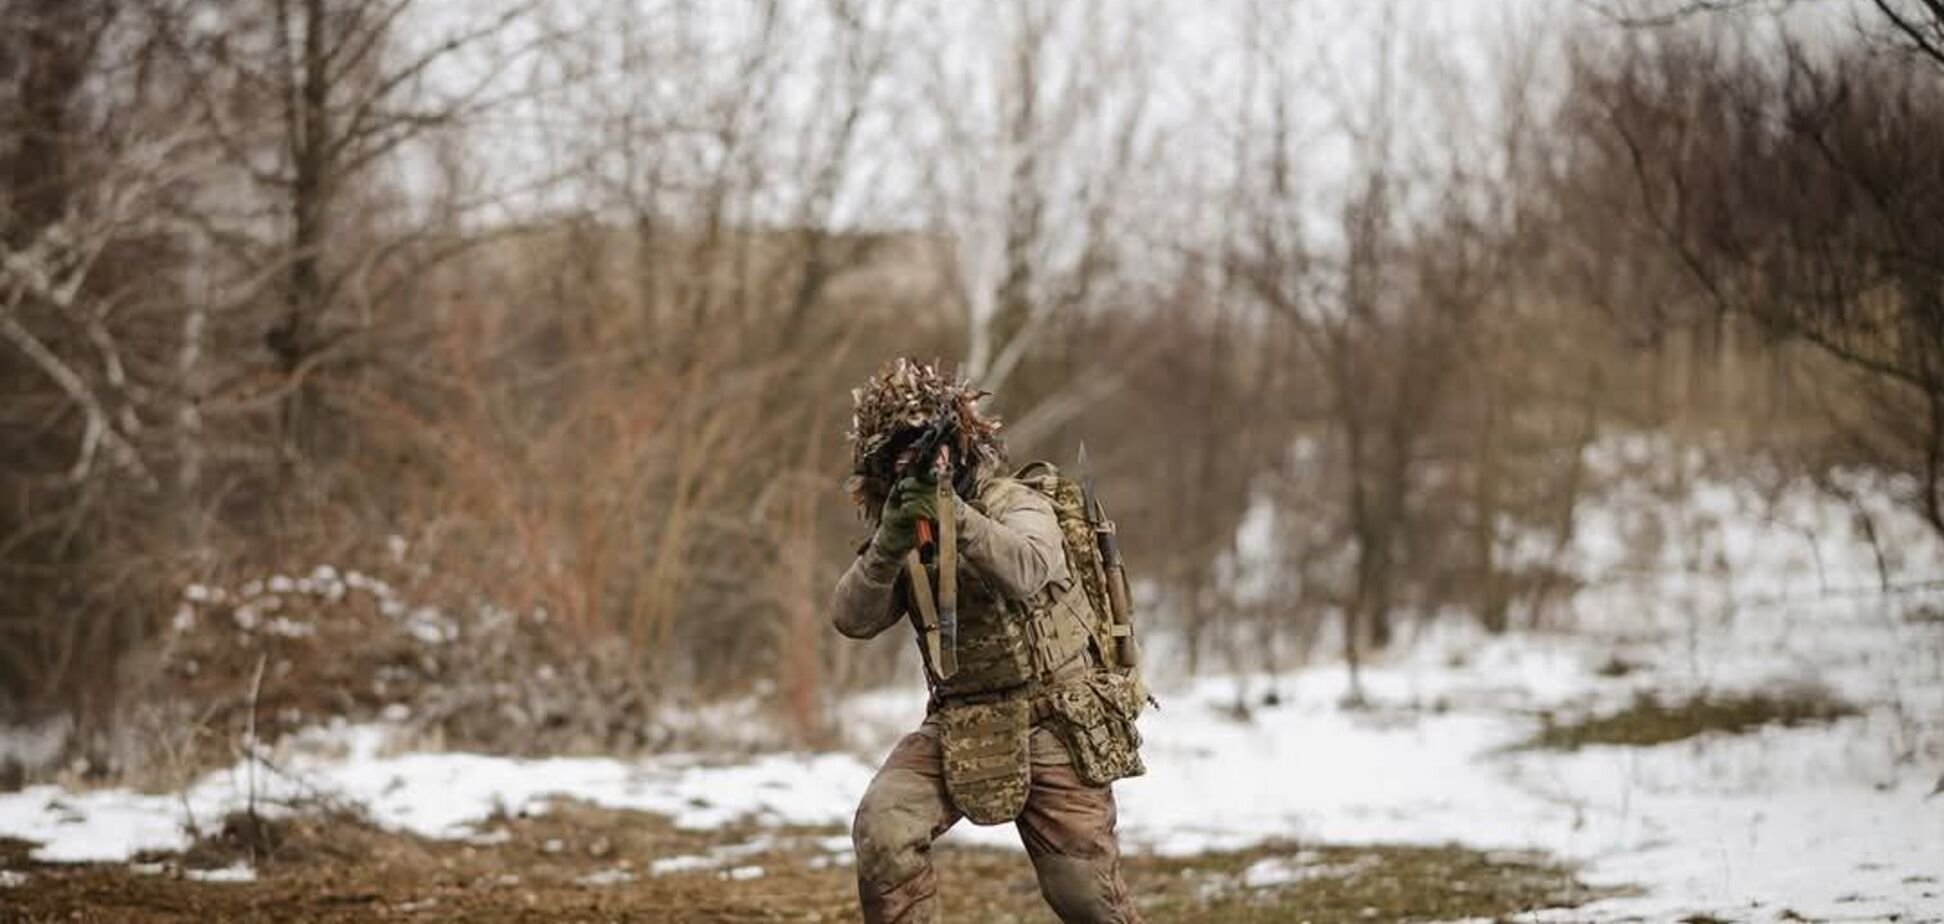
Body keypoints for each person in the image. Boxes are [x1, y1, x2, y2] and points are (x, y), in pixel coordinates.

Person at [830, 358, 1146, 924]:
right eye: (900, 456)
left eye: (931, 450)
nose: (922, 464)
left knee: (1086, 898)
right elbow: (851, 618)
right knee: (884, 826)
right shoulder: (903, 527)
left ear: (960, 450)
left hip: (1054, 717)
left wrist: (954, 515)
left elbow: (1028, 569)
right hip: (961, 719)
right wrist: (891, 541)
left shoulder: (1015, 502)